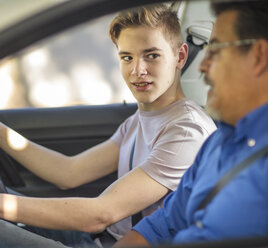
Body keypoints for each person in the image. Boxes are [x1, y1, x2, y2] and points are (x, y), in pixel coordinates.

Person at [0, 4, 216, 248]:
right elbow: (69, 173)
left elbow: (101, 214)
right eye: (127, 57)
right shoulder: (141, 120)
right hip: (104, 239)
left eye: (151, 56)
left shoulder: (185, 133)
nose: (138, 71)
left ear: (179, 56)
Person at [114, 0, 268, 247]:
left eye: (216, 51)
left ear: (259, 56)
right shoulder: (217, 142)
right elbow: (160, 226)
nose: (204, 66)